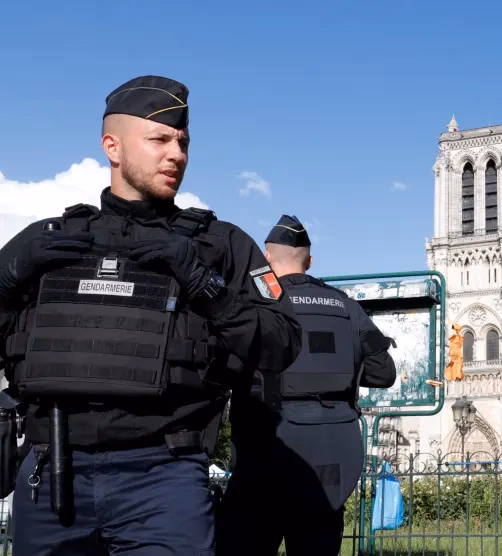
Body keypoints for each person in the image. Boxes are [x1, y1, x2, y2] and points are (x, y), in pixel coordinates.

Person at [0, 75, 303, 555]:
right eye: (160, 139)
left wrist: (204, 283)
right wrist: (5, 279)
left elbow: (283, 342)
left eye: (182, 142)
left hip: (164, 479)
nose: (177, 154)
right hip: (53, 472)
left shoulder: (219, 246)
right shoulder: (48, 240)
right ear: (112, 147)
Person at [217, 215, 397, 556]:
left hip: (262, 460)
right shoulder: (346, 307)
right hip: (329, 468)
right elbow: (383, 373)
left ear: (267, 260)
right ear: (310, 261)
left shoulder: (251, 306)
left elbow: (222, 369)